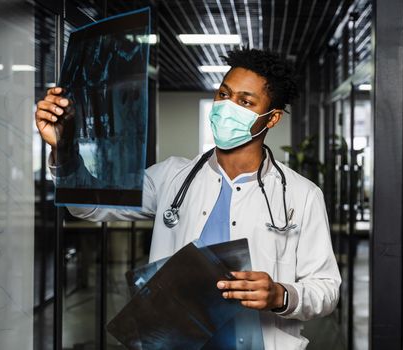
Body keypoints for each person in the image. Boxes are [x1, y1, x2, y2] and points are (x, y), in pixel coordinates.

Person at [35, 48, 341, 349]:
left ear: (271, 118)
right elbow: (90, 206)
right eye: (224, 94)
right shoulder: (172, 176)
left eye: (245, 101)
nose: (227, 106)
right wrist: (64, 150)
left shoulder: (301, 195)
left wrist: (280, 295)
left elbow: (326, 290)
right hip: (171, 341)